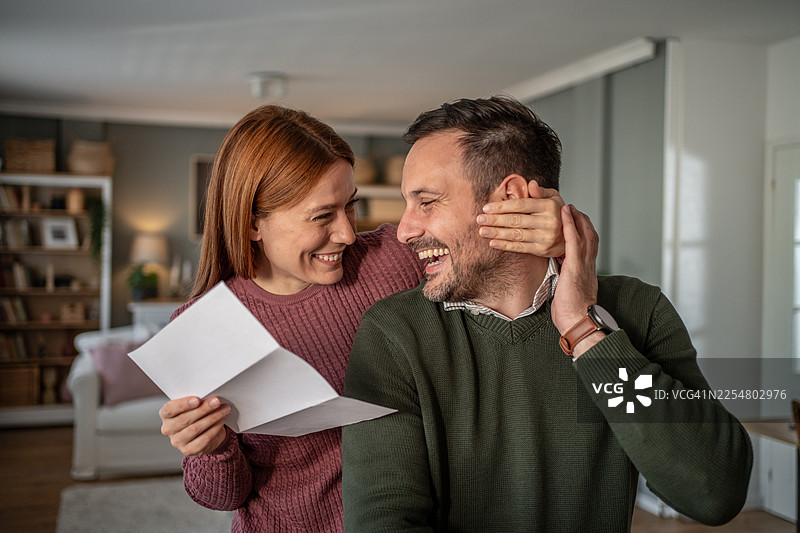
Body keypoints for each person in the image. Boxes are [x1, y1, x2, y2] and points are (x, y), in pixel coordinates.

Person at [342, 96, 753, 532]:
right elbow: (381, 522)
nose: (404, 230)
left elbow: (714, 493)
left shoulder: (636, 310)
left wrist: (585, 332)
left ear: (511, 198)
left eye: (427, 202)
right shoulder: (395, 332)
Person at [157, 104, 568, 532]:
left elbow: (478, 244)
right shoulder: (202, 328)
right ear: (252, 225)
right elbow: (223, 497)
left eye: (349, 207)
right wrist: (210, 447)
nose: (347, 234)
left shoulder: (391, 258)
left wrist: (555, 233)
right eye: (322, 216)